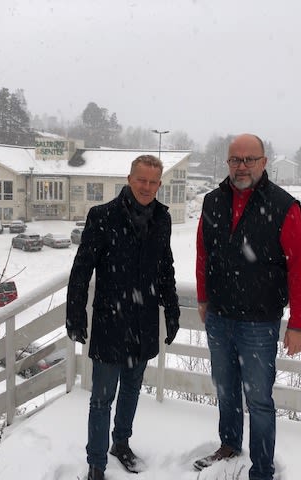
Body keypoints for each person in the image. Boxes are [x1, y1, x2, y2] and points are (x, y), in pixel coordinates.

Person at [193, 134, 301, 480]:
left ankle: (262, 469)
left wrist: (299, 323)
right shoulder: (212, 201)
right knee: (225, 389)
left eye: (249, 159)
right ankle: (229, 444)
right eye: (235, 160)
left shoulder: (284, 206)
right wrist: (203, 298)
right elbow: (203, 254)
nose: (241, 166)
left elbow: (300, 267)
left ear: (264, 161)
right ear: (227, 162)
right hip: (219, 317)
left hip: (259, 324)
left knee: (259, 401)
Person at [66, 154, 181, 480]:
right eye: (141, 180)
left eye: (153, 182)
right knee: (102, 398)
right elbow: (82, 267)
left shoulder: (162, 219)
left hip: (143, 323)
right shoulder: (102, 216)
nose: (146, 187)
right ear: (130, 179)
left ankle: (121, 444)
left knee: (131, 389)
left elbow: (165, 268)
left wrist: (172, 310)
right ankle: (96, 464)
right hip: (110, 321)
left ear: (159, 184)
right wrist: (75, 313)